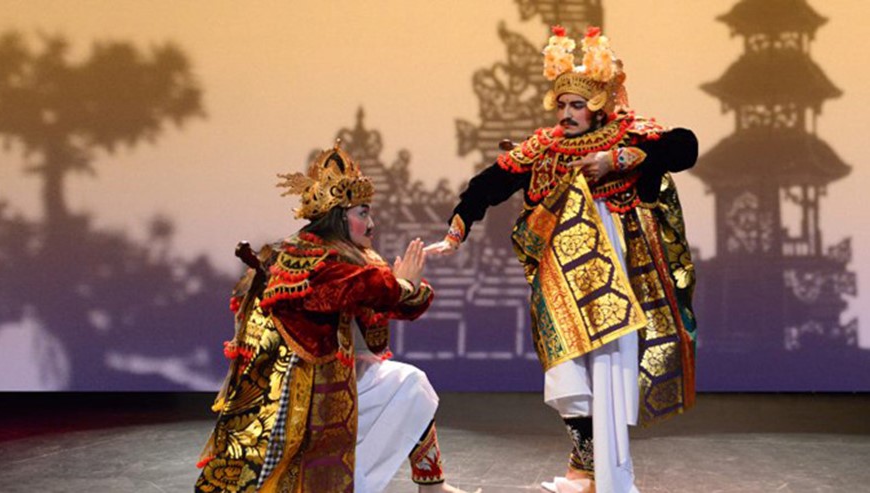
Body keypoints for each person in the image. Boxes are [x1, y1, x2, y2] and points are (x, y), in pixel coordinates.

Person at [426, 26, 698, 493]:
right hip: (559, 271)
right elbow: (487, 186)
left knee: (611, 367)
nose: (567, 114)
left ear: (598, 107)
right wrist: (456, 231)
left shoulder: (629, 135)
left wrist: (619, 160)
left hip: (616, 267)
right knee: (565, 369)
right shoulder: (544, 147)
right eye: (562, 105)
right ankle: (585, 468)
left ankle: (601, 474)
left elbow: (685, 146)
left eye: (577, 106)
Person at [195, 142, 477, 493]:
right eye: (362, 213)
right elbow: (366, 289)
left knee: (409, 384)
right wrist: (403, 283)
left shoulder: (336, 254)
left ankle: (432, 486)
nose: (370, 224)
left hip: (330, 376)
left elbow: (387, 301)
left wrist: (406, 287)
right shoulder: (308, 258)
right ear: (339, 216)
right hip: (294, 396)